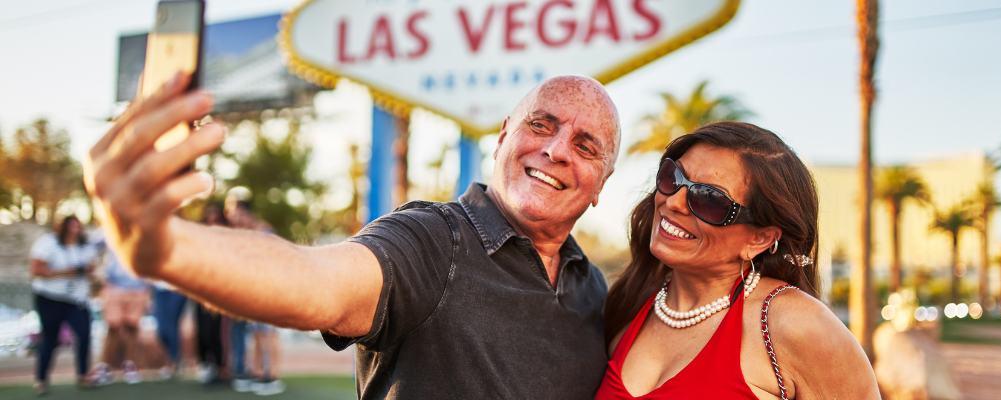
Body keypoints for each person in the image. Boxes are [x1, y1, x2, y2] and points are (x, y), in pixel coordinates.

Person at [82, 72, 619, 399]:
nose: (557, 150)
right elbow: (318, 281)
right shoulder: (434, 240)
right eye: (541, 125)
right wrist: (170, 248)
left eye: (587, 145)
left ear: (601, 185)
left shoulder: (595, 291)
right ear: (504, 136)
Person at [596, 122, 879, 399]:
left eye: (710, 199)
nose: (674, 203)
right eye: (673, 177)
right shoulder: (630, 302)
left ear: (761, 239)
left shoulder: (796, 324)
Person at [29, 216, 98, 394]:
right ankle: (41, 379)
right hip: (50, 298)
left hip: (76, 299)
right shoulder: (47, 243)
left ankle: (83, 374)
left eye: (78, 227)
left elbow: (92, 267)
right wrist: (67, 272)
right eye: (72, 227)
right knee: (50, 338)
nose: (76, 230)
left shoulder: (85, 246)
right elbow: (37, 271)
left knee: (84, 335)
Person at [222, 199, 283, 395]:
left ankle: (272, 377)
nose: (235, 219)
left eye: (238, 215)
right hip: (254, 291)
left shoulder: (265, 233)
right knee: (256, 333)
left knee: (268, 333)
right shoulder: (245, 235)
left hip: (269, 289)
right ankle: (259, 374)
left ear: (247, 214)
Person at [95, 244, 150, 385]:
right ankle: (105, 367)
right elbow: (91, 245)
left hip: (138, 288)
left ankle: (130, 366)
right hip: (114, 287)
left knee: (132, 327)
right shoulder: (110, 229)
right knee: (113, 328)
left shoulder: (143, 230)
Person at [194, 204, 228, 386]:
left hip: (219, 294)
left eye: (216, 218)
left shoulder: (226, 241)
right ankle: (205, 364)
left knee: (216, 333)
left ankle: (219, 367)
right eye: (209, 218)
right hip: (201, 294)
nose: (212, 222)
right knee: (203, 331)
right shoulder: (199, 240)